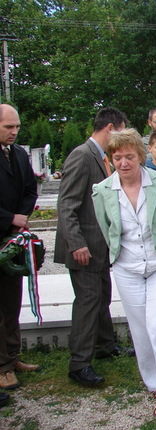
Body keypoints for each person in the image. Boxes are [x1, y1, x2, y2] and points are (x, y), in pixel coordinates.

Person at [92, 129, 156, 417]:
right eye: (117, 157)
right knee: (141, 328)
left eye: (130, 157)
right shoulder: (103, 191)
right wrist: (119, 258)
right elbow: (107, 228)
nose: (124, 163)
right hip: (127, 266)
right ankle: (154, 383)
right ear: (111, 160)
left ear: (141, 156)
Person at [55, 107, 134, 387]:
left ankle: (105, 346)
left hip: (99, 248)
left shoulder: (100, 157)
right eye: (121, 131)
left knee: (101, 296)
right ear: (111, 128)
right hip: (83, 248)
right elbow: (67, 204)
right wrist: (76, 243)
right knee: (88, 303)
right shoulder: (81, 155)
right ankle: (79, 364)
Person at [0, 104, 40, 391]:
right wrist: (8, 218)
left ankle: (11, 357)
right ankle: (1, 367)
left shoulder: (19, 154)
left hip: (13, 238)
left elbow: (30, 189)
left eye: (16, 127)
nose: (14, 132)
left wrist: (21, 220)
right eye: (8, 127)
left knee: (11, 302)